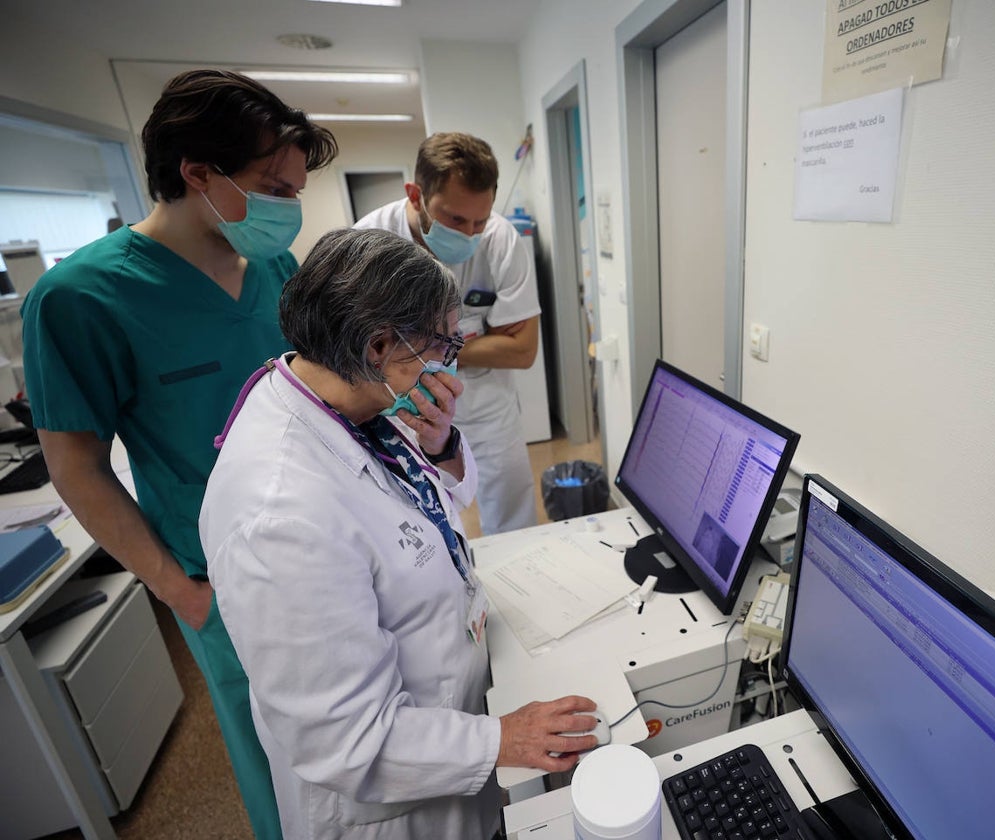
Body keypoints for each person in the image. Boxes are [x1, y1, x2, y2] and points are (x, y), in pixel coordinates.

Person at [199, 227, 599, 840]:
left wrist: (437, 444)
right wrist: (504, 738)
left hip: (450, 702)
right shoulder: (280, 517)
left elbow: (415, 512)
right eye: (443, 344)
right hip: (394, 809)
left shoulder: (334, 394)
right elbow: (350, 742)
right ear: (379, 344)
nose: (450, 362)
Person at [20, 69, 337, 839]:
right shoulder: (79, 299)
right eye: (273, 188)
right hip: (218, 576)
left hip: (322, 544)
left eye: (294, 190)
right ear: (197, 172)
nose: (288, 211)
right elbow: (76, 470)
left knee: (349, 737)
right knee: (276, 760)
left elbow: (309, 393)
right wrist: (182, 592)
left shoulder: (271, 268)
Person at [354, 131, 539, 535]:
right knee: (416, 528)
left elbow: (522, 351)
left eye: (480, 220)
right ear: (416, 195)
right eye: (456, 219)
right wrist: (477, 342)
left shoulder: (501, 240)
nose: (470, 234)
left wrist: (420, 347)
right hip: (402, 411)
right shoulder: (369, 244)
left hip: (488, 406)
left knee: (513, 517)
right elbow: (363, 353)